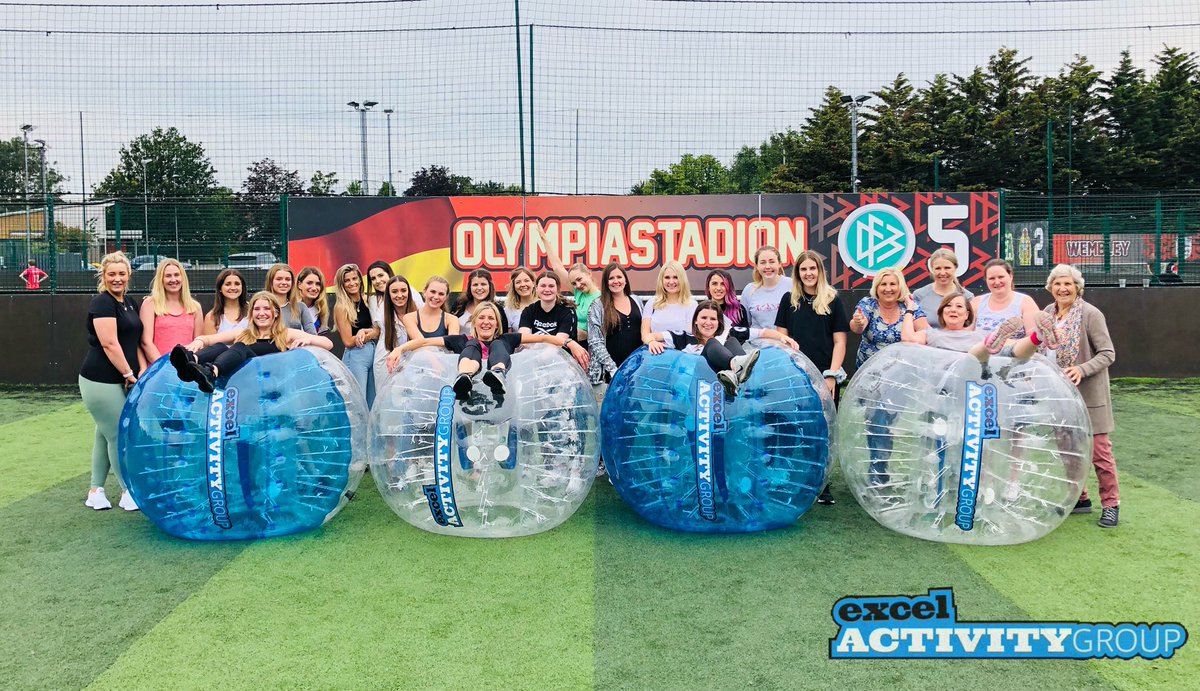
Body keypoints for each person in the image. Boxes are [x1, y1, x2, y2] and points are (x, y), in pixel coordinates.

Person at [1044, 264, 1121, 528]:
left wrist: (1081, 369)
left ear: (1078, 287)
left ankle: (1111, 504)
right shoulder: (1046, 314)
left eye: (1068, 284)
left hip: (1090, 395)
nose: (1063, 289)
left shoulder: (1090, 314)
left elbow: (1108, 353)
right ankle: (1081, 498)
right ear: (1050, 288)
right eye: (1057, 284)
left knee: (1100, 452)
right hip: (1060, 397)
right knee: (1068, 450)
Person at [774, 251, 847, 505]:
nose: (808, 273)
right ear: (797, 273)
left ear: (820, 271)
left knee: (822, 432)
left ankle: (822, 484)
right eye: (803, 269)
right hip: (795, 377)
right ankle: (793, 480)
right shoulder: (789, 300)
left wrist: (831, 376)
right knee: (793, 429)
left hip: (824, 377)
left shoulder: (833, 300)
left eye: (812, 269)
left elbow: (839, 342)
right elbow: (781, 340)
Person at [388, 301, 570, 402]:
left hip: (501, 396)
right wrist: (399, 348)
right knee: (472, 344)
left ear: (497, 324)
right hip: (469, 396)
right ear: (474, 322)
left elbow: (544, 338)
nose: (486, 322)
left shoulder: (508, 338)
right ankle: (464, 377)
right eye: (481, 317)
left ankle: (497, 373)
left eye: (491, 318)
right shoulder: (462, 340)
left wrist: (571, 345)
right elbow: (425, 341)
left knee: (498, 344)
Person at [850, 268, 928, 488]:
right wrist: (858, 322)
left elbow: (925, 331)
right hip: (870, 377)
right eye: (884, 284)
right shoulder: (868, 304)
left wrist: (916, 326)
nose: (888, 289)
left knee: (884, 423)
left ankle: (878, 469)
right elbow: (857, 326)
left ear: (900, 286)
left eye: (893, 284)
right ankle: (878, 472)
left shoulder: (910, 307)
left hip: (900, 378)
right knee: (876, 421)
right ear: (877, 287)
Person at [79, 251, 144, 512]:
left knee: (104, 434)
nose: (117, 279)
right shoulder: (102, 303)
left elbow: (134, 341)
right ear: (103, 276)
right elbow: (109, 343)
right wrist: (129, 374)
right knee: (118, 434)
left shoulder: (130, 302)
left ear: (128, 275)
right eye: (111, 274)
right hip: (100, 379)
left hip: (123, 378)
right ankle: (129, 491)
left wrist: (138, 373)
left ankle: (96, 491)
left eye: (121, 274)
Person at [171, 292, 332, 394]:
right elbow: (209, 339)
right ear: (251, 313)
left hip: (272, 386)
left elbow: (328, 344)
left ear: (275, 313)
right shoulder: (244, 333)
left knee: (240, 347)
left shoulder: (285, 333)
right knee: (221, 346)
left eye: (266, 309)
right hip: (245, 385)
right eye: (257, 309)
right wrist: (198, 341)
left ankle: (211, 372)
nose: (262, 313)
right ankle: (191, 363)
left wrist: (309, 339)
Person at [645, 300, 788, 397]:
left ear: (719, 322)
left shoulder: (728, 333)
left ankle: (736, 374)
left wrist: (784, 338)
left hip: (728, 391)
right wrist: (651, 341)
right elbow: (650, 335)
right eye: (703, 318)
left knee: (732, 341)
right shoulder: (683, 337)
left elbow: (762, 332)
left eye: (713, 319)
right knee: (712, 343)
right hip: (698, 390)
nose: (708, 323)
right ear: (696, 320)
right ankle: (735, 366)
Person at [586, 263, 643, 385]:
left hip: (637, 372)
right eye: (611, 278)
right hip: (610, 375)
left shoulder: (637, 301)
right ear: (606, 283)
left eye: (619, 277)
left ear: (625, 280)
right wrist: (613, 369)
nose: (615, 281)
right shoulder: (597, 305)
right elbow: (595, 342)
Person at [539, 228, 601, 341]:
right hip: (570, 340)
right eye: (574, 283)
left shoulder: (600, 298)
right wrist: (544, 239)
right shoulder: (579, 293)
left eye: (579, 279)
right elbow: (557, 267)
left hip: (585, 344)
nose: (578, 285)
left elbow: (599, 332)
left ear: (589, 274)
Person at [518, 272, 590, 368]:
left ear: (558, 288)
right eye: (543, 286)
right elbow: (524, 340)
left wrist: (538, 354)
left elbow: (557, 345)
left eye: (551, 286)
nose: (547, 289)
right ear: (536, 288)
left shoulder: (568, 312)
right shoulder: (529, 311)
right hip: (533, 365)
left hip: (563, 366)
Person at [139, 258, 203, 363]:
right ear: (161, 279)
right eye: (168, 276)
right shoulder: (150, 304)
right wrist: (164, 366)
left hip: (186, 371)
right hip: (159, 369)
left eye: (177, 275)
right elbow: (146, 342)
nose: (173, 280)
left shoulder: (195, 307)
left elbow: (198, 343)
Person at [333, 263, 381, 404]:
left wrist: (369, 334)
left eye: (355, 278)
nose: (352, 283)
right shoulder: (341, 306)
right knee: (358, 400)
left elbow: (379, 330)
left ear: (360, 280)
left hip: (374, 352)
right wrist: (371, 334)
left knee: (372, 399)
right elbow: (348, 341)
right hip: (356, 354)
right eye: (347, 280)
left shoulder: (368, 300)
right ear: (342, 284)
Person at [972, 258, 1040, 336]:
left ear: (1010, 276)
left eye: (1001, 277)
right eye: (992, 278)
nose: (997, 282)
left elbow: (1034, 338)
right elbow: (966, 335)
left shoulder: (1026, 302)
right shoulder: (976, 303)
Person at [373, 274, 418, 390]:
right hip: (387, 361)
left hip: (412, 364)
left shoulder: (418, 311)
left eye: (403, 291)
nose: (400, 295)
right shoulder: (383, 315)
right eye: (394, 291)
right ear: (389, 294)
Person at [912, 248, 974, 328]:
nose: (942, 273)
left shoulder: (968, 297)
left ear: (955, 268)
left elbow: (971, 327)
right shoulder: (919, 295)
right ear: (932, 269)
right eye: (938, 268)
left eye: (947, 268)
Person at [640, 261, 697, 343]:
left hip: (681, 354)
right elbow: (644, 334)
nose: (671, 282)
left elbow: (689, 336)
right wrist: (652, 342)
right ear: (661, 280)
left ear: (682, 279)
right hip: (655, 353)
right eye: (667, 277)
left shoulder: (692, 305)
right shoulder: (652, 303)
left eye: (675, 277)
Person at [740, 245, 790, 339]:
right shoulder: (749, 290)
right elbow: (746, 325)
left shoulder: (792, 285)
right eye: (763, 263)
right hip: (758, 349)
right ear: (757, 266)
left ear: (779, 264)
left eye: (772, 262)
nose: (767, 266)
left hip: (786, 348)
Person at [265, 263, 317, 334]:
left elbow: (313, 335)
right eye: (279, 279)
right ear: (271, 282)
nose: (284, 282)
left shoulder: (300, 307)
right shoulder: (262, 307)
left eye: (287, 279)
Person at [454, 269, 510, 334]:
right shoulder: (459, 306)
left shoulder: (498, 310)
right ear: (470, 287)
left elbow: (503, 335)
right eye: (475, 285)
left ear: (489, 286)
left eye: (483, 284)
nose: (479, 288)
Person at [705, 269, 750, 342]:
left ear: (729, 287)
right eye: (714, 283)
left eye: (723, 284)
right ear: (708, 287)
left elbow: (743, 337)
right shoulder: (701, 310)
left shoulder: (739, 310)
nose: (718, 288)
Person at [202, 269, 250, 335]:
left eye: (237, 284)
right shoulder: (211, 317)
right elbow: (210, 344)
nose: (233, 288)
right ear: (220, 288)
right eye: (228, 284)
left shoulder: (253, 310)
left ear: (242, 287)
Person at [296, 266, 330, 334]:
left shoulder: (321, 309)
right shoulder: (290, 307)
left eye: (318, 284)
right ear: (299, 285)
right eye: (309, 283)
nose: (314, 288)